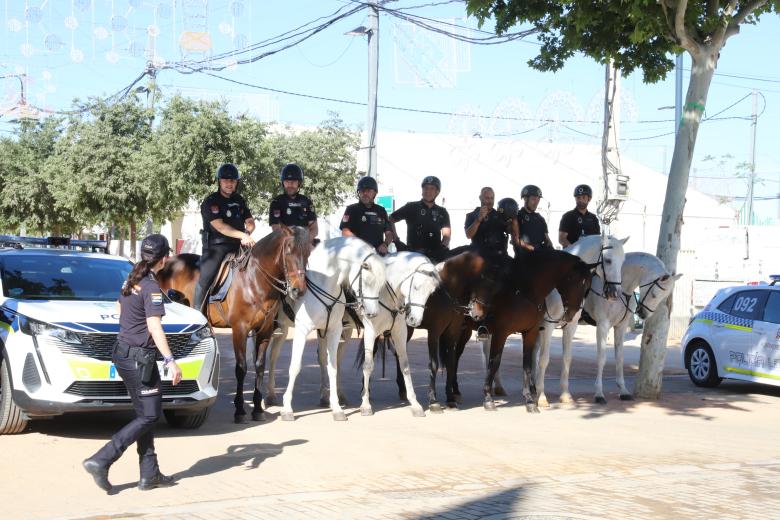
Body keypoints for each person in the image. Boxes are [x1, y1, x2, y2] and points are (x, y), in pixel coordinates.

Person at [82, 234, 183, 493]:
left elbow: (119, 307)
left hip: (123, 354)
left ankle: (149, 474)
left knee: (143, 416)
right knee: (150, 414)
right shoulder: (150, 287)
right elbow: (154, 326)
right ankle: (102, 459)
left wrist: (132, 329)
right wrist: (171, 361)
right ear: (164, 259)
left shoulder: (132, 278)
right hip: (140, 360)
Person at [193, 163, 255, 311]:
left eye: (233, 180)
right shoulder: (211, 201)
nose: (229, 183)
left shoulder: (239, 200)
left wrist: (247, 234)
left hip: (239, 245)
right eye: (226, 180)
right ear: (219, 181)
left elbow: (250, 221)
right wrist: (242, 234)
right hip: (216, 247)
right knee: (205, 279)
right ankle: (197, 316)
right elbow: (220, 226)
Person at [389, 175, 451, 262]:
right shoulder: (411, 207)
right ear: (422, 190)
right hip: (413, 255)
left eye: (432, 188)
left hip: (434, 256)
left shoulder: (442, 212)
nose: (428, 191)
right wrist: (396, 240)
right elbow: (390, 219)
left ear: (437, 192)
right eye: (426, 188)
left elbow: (446, 235)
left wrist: (442, 248)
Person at [340, 176, 393, 255]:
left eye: (368, 191)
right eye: (362, 191)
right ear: (359, 193)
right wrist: (362, 244)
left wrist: (385, 245)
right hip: (357, 254)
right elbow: (345, 232)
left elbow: (389, 234)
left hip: (378, 254)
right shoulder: (351, 209)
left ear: (375, 193)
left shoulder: (381, 211)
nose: (365, 193)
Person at [268, 163, 318, 240]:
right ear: (283, 183)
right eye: (287, 182)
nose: (290, 185)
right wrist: (291, 241)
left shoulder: (307, 202)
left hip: (305, 242)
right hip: (285, 243)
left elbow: (314, 229)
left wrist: (304, 240)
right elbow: (276, 229)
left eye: (293, 182)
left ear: (299, 183)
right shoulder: (276, 202)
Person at [464, 187, 511, 257]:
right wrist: (478, 220)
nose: (490, 201)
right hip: (479, 257)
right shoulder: (471, 215)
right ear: (480, 198)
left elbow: (510, 231)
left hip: (498, 256)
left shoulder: (499, 214)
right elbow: (468, 235)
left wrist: (512, 219)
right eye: (487, 198)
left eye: (492, 198)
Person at [513, 184, 552, 252]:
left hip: (541, 257)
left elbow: (547, 239)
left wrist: (550, 248)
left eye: (538, 200)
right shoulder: (517, 216)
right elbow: (516, 239)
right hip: (524, 258)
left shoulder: (540, 219)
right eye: (533, 199)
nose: (536, 202)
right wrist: (532, 248)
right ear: (525, 198)